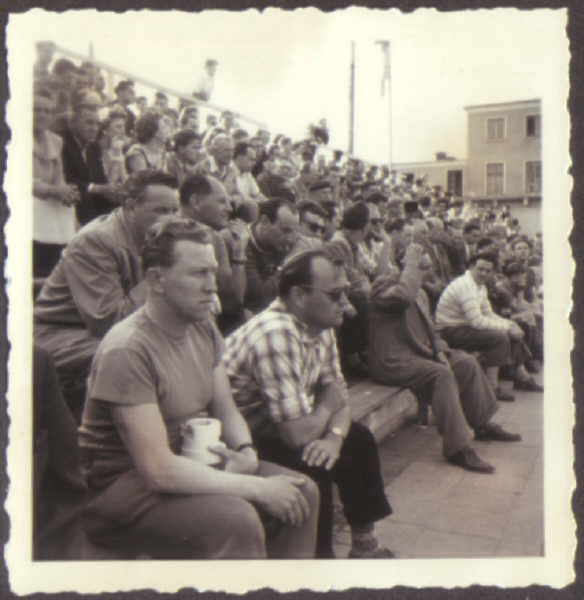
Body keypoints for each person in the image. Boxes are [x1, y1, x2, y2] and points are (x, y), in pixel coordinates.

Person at [78, 217, 319, 559]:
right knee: (237, 520)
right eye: (198, 274)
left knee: (302, 492)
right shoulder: (127, 349)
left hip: (191, 460)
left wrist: (246, 453)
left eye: (213, 272)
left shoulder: (202, 326)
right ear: (156, 280)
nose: (212, 286)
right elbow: (158, 469)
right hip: (126, 486)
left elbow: (226, 407)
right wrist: (256, 487)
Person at [224, 249, 394, 559]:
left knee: (356, 440)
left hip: (284, 424)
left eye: (345, 292)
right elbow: (296, 434)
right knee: (313, 463)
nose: (346, 303)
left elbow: (339, 396)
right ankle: (319, 563)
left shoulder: (319, 323)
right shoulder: (276, 334)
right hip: (240, 440)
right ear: (299, 296)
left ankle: (364, 546)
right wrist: (326, 410)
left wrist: (334, 438)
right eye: (335, 294)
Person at [34, 170, 180, 419]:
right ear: (131, 206)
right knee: (127, 354)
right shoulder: (95, 241)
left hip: (94, 330)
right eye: (161, 211)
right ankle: (103, 436)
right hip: (59, 333)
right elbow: (108, 321)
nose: (171, 220)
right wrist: (160, 271)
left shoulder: (150, 237)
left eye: (175, 211)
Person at [368, 243, 521, 475]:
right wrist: (411, 260)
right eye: (424, 267)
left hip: (418, 354)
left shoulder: (419, 292)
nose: (429, 272)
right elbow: (403, 297)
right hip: (393, 361)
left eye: (428, 267)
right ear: (408, 267)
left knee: (466, 362)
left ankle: (481, 423)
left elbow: (430, 330)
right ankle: (457, 447)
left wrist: (441, 349)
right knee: (441, 374)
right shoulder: (383, 288)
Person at [435, 253, 542, 400]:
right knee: (499, 337)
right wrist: (507, 328)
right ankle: (493, 387)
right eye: (480, 269)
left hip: (463, 326)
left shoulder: (479, 286)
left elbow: (488, 313)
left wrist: (510, 324)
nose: (484, 273)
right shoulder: (465, 286)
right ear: (471, 267)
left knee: (512, 329)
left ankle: (521, 376)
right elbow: (477, 321)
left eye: (488, 270)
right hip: (449, 330)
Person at [179, 174, 249, 335]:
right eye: (222, 201)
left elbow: (234, 300)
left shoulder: (215, 238)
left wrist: (238, 252)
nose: (230, 209)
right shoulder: (159, 234)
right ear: (196, 202)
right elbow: (233, 302)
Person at [33, 86, 80, 278]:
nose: (42, 115)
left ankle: (55, 270)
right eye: (36, 109)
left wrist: (66, 193)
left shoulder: (55, 141)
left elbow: (58, 178)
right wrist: (54, 191)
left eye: (47, 111)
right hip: (22, 200)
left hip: (45, 201)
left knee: (68, 207)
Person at [60, 104, 120, 225]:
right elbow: (66, 179)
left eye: (97, 124)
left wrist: (112, 191)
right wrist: (97, 188)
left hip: (91, 204)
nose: (94, 128)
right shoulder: (62, 143)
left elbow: (100, 179)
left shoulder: (94, 147)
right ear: (73, 123)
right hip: (70, 205)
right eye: (89, 123)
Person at [244, 198, 299, 314]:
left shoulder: (285, 243)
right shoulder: (242, 242)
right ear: (264, 221)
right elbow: (258, 298)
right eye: (285, 230)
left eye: (295, 231)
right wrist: (285, 267)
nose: (291, 239)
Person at [194, 134, 238, 201]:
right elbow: (202, 198)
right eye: (226, 150)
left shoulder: (231, 170)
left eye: (232, 150)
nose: (230, 154)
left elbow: (237, 194)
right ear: (214, 151)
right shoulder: (201, 169)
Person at [232, 141, 265, 206]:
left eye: (255, 160)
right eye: (251, 159)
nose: (254, 163)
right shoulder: (228, 172)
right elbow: (237, 199)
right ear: (239, 157)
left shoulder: (247, 173)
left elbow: (257, 194)